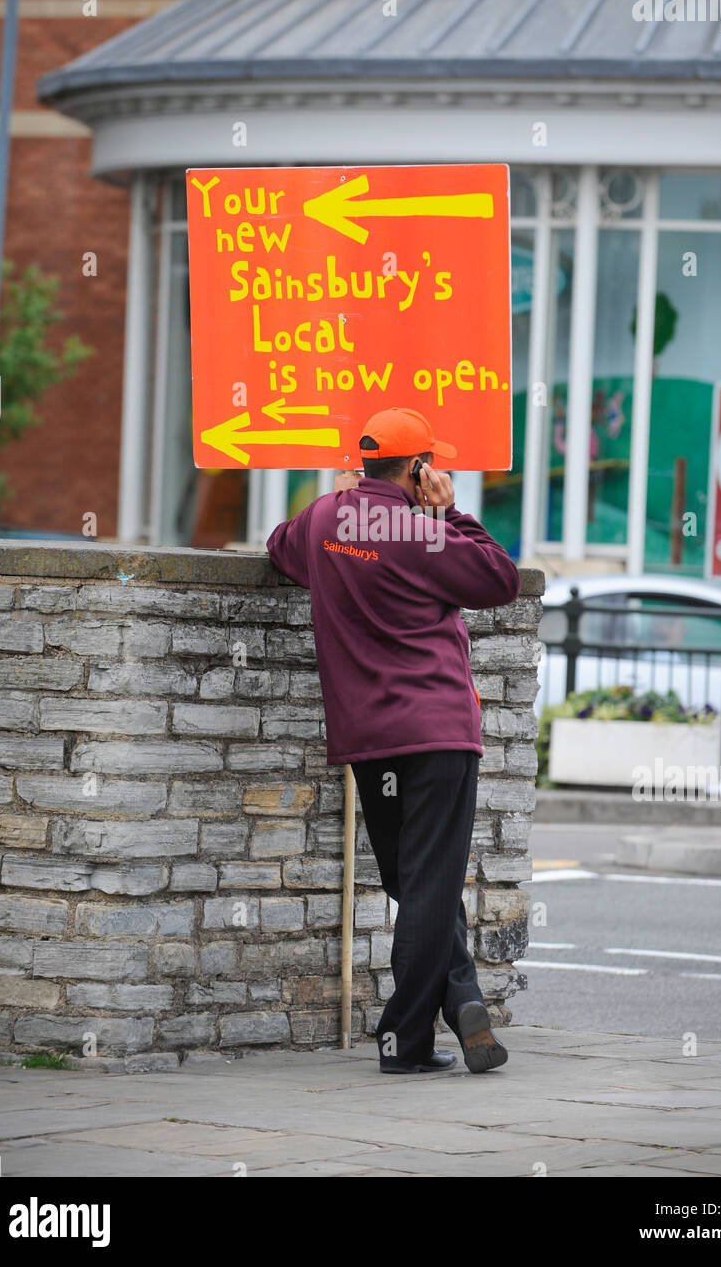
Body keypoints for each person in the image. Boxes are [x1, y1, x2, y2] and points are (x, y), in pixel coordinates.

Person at [266, 406, 521, 1074]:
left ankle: (461, 996)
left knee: (411, 880)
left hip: (369, 738)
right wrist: (451, 515)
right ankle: (404, 1041)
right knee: (429, 884)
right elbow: (500, 580)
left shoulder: (326, 519)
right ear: (419, 468)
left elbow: (277, 548)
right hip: (437, 731)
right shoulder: (426, 532)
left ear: (362, 462)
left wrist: (345, 506)